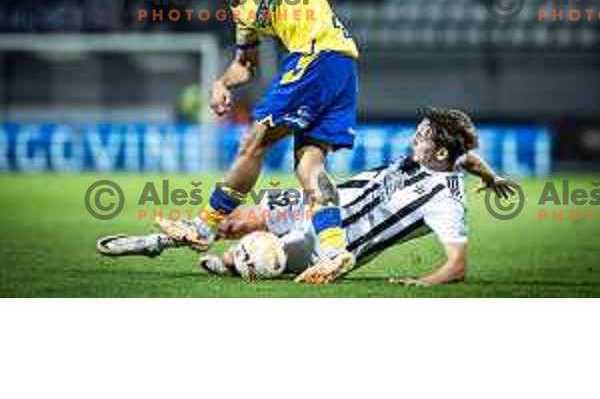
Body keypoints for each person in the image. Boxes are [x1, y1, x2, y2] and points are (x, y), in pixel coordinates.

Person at [98, 108, 517, 285]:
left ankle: (232, 262)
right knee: (231, 223)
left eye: (423, 135)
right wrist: (493, 177)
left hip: (330, 247)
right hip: (318, 201)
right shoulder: (444, 160)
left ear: (440, 152)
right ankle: (156, 244)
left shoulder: (445, 200)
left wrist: (419, 282)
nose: (415, 136)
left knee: (250, 260)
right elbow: (468, 159)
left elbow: (457, 265)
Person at [160, 0, 359, 282]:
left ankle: (204, 227)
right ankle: (334, 250)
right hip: (341, 64)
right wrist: (222, 82)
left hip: (316, 56)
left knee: (253, 144)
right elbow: (246, 64)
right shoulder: (241, 8)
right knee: (309, 166)